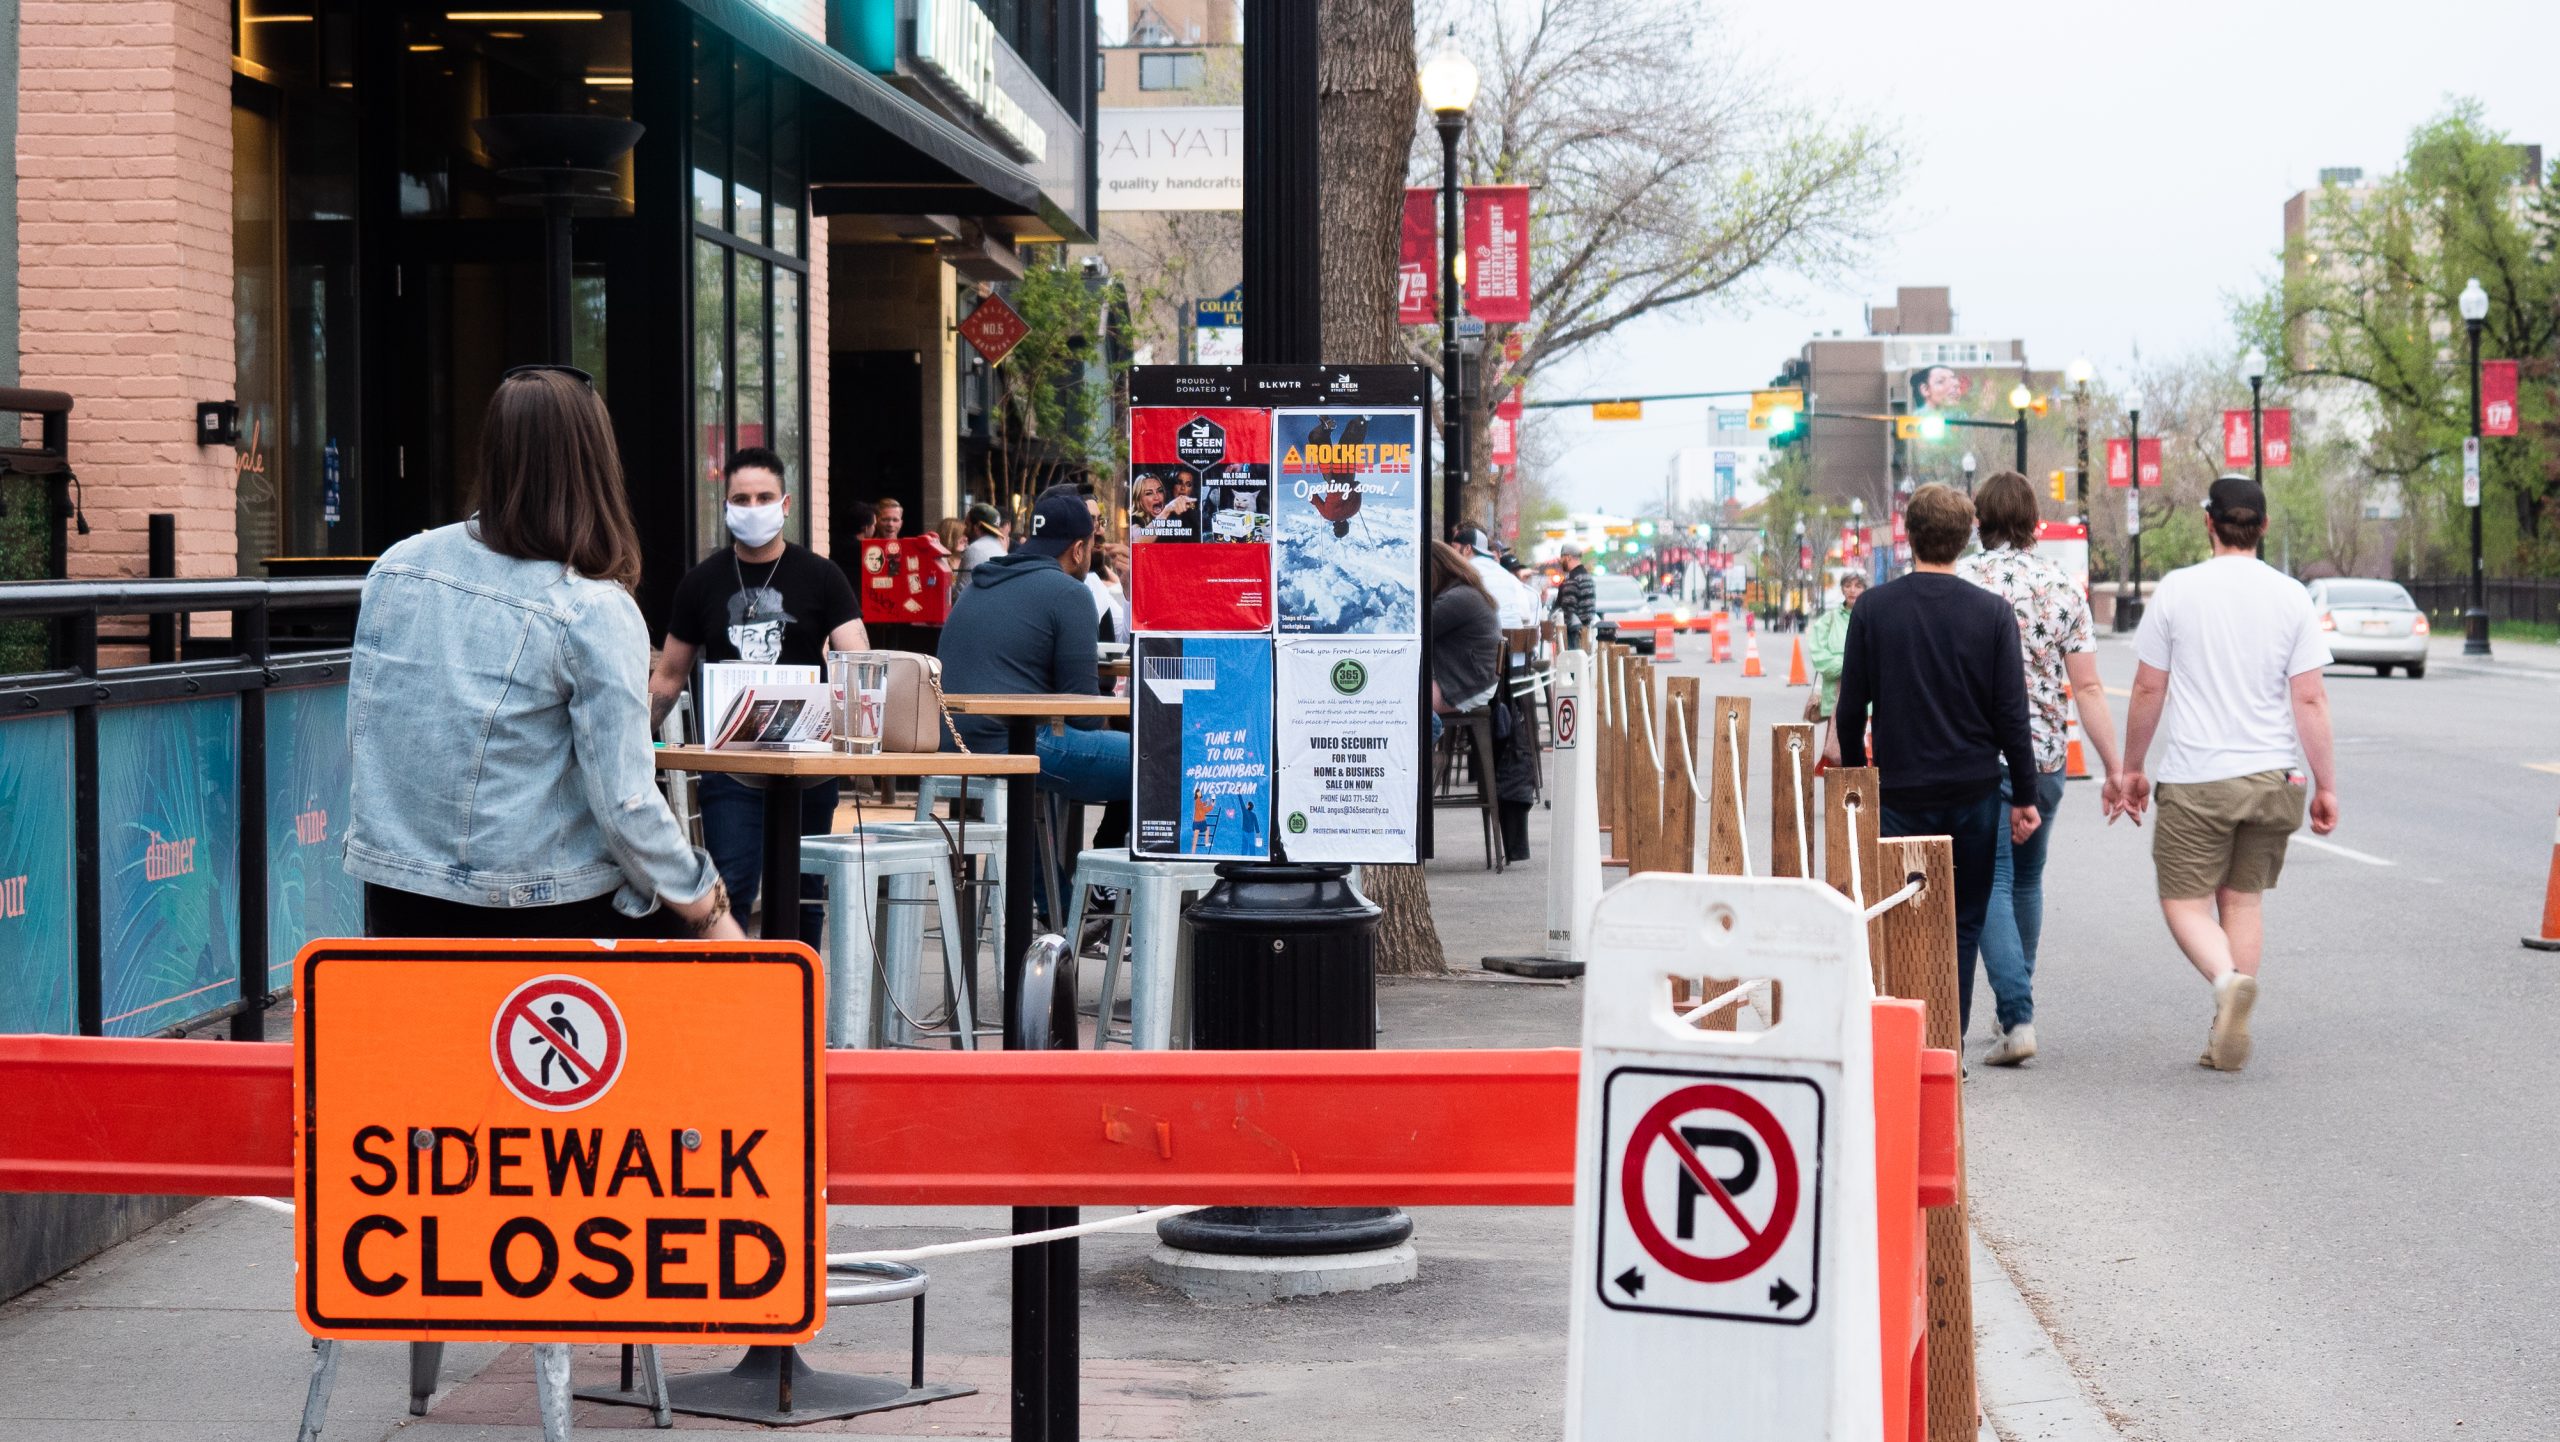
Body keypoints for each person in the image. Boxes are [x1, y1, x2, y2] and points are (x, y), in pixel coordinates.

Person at [345, 366, 741, 942]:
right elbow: (628, 804)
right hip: (540, 908)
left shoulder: (396, 567)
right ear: (597, 466)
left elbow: (371, 738)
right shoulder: (592, 609)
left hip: (398, 899)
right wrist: (710, 910)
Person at [2116, 475, 2338, 1073]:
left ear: (2208, 523)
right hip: (2276, 780)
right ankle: (2225, 1030)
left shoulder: (2178, 591)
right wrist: (2326, 785)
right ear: (2263, 527)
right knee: (2242, 904)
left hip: (2198, 779)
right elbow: (2310, 700)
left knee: (2184, 904)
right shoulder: (2293, 596)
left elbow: (2147, 688)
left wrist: (2131, 768)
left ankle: (2226, 982)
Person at [1834, 483, 2040, 1038]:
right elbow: (2011, 718)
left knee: (1900, 919)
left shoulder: (1875, 609)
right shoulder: (1992, 614)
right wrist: (2024, 794)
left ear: (1908, 534)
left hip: (1899, 792)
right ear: (1966, 537)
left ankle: (1909, 1045)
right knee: (1964, 923)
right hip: (1973, 793)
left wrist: (1861, 777)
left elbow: (1850, 709)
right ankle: (1949, 1048)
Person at [649, 445, 865, 937]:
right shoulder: (700, 583)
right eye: (740, 498)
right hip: (731, 766)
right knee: (731, 891)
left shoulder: (822, 577)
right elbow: (668, 676)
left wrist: (862, 732)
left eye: (763, 497)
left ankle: (797, 1003)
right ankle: (738, 1006)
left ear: (785, 504)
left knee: (806, 893)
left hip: (809, 763)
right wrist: (634, 738)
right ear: (725, 506)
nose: (752, 507)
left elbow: (856, 659)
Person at [1957, 472, 2128, 1066]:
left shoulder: (1962, 580)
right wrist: (2115, 766)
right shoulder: (2062, 585)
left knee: (1990, 884)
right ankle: (2017, 1001)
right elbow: (2087, 687)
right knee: (2026, 880)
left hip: (1978, 755)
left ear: (1979, 520)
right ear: (2034, 522)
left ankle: (2016, 1014)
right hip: (2047, 759)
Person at [939, 486, 1132, 906]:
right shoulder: (1070, 593)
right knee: (1159, 765)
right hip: (1009, 741)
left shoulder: (983, 581)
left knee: (1026, 789)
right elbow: (1081, 716)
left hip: (951, 739)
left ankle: (1060, 912)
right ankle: (1107, 894)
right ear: (1079, 549)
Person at [1806, 569, 1865, 764]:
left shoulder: (1872, 616)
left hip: (1870, 704)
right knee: (1838, 755)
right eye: (1847, 585)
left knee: (1869, 758)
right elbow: (1820, 656)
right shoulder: (1829, 620)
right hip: (1837, 700)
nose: (1852, 590)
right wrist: (1850, 665)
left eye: (1858, 586)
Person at [1455, 525, 1540, 631]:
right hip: (1513, 643)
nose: (1451, 554)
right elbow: (1525, 615)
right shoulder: (1504, 573)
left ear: (1467, 549)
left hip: (1488, 641)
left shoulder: (1468, 571)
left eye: (1454, 548)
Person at [1552, 543, 1597, 652]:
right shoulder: (1587, 577)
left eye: (1562, 558)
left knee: (1573, 665)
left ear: (1568, 557)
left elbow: (1567, 610)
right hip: (1586, 630)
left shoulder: (1572, 580)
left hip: (1573, 634)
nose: (1561, 561)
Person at [957, 502, 1008, 594]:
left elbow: (962, 593)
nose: (964, 530)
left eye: (967, 525)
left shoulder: (975, 549)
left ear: (977, 527)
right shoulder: (1000, 549)